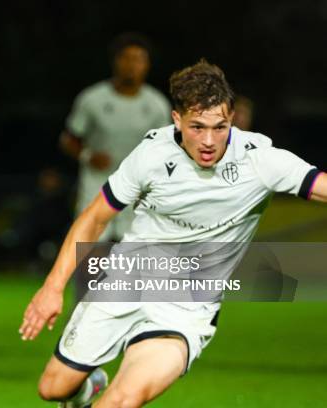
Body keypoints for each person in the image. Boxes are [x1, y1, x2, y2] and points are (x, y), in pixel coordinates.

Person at [20, 59, 326, 407]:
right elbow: (94, 217)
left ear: (232, 119)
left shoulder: (260, 160)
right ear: (177, 119)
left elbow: (321, 186)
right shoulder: (151, 155)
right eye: (197, 127)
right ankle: (86, 388)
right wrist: (52, 288)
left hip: (184, 309)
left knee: (122, 400)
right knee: (53, 389)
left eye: (220, 126)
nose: (209, 140)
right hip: (123, 284)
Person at [60, 33, 171, 242]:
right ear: (115, 61)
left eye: (138, 59)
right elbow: (68, 139)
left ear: (147, 65)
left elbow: (166, 148)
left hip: (139, 186)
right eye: (126, 58)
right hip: (97, 182)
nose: (131, 65)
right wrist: (87, 156)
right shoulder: (92, 99)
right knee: (90, 244)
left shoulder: (157, 105)